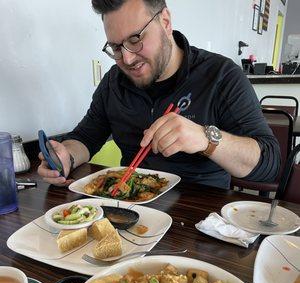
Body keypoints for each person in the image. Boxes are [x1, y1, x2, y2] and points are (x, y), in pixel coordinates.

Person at [38, 0, 280, 189]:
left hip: (200, 220)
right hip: (128, 208)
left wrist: (207, 139)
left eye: (135, 39)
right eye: (115, 47)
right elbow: (86, 138)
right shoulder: (114, 82)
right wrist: (65, 156)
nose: (128, 59)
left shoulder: (221, 76)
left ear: (165, 21)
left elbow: (269, 165)